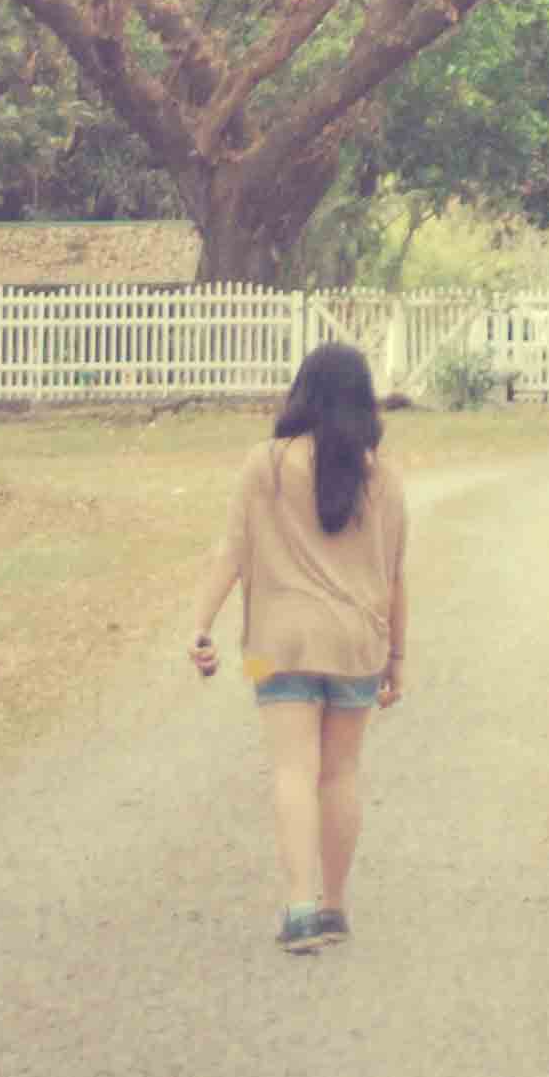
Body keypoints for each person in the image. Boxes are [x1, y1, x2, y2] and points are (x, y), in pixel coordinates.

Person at [189, 341, 408, 954]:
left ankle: (300, 908)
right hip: (358, 645)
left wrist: (200, 625)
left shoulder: (265, 463)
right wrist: (397, 659)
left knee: (293, 769)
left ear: (302, 393)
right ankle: (335, 907)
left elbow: (230, 552)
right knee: (341, 773)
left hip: (274, 645)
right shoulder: (384, 477)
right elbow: (395, 577)